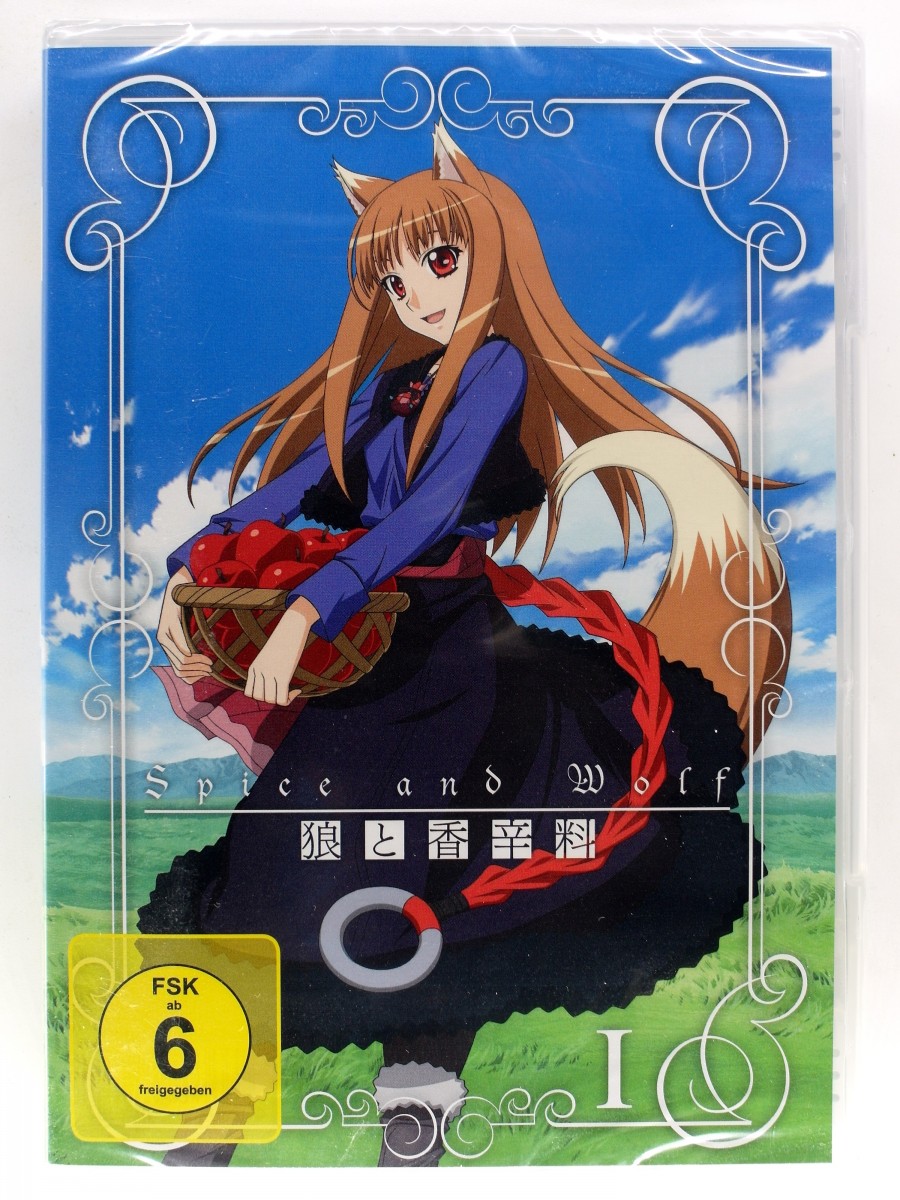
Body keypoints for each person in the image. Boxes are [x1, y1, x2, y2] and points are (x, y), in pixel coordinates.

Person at [144, 122, 790, 1166]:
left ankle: (412, 1127)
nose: (418, 295)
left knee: (434, 880)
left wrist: (310, 604)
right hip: (368, 646)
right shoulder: (383, 388)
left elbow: (430, 512)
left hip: (447, 653)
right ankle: (208, 1128)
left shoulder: (494, 370)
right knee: (278, 855)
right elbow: (293, 486)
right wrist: (191, 564)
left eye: (438, 261)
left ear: (488, 252)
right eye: (394, 281)